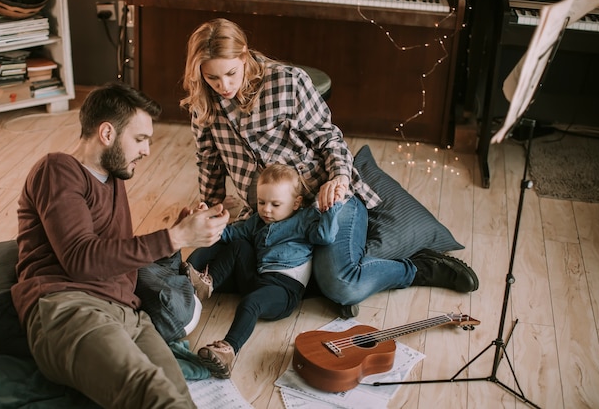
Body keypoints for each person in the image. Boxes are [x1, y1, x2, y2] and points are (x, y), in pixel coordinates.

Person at [181, 18, 478, 319]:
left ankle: (419, 268)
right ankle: (314, 278)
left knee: (342, 285)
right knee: (197, 268)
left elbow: (329, 139)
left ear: (244, 54)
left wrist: (338, 177)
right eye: (213, 78)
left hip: (324, 205)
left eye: (230, 73)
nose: (224, 86)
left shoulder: (288, 82)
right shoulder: (204, 104)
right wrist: (211, 211)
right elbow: (210, 162)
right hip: (270, 215)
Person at [11, 82, 230, 409]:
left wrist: (176, 233)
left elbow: (114, 254)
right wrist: (175, 237)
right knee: (153, 393)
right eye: (140, 139)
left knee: (179, 396)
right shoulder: (58, 169)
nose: (147, 150)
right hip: (70, 306)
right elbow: (80, 260)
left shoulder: (112, 181)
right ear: (107, 133)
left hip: (129, 313)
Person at [183, 163, 343, 378]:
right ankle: (207, 283)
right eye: (261, 202)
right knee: (238, 245)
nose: (266, 209)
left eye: (275, 204)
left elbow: (325, 236)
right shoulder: (258, 221)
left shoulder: (305, 219)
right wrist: (208, 225)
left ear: (296, 203)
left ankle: (228, 350)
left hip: (282, 289)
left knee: (250, 303)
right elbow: (232, 234)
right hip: (256, 277)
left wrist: (331, 209)